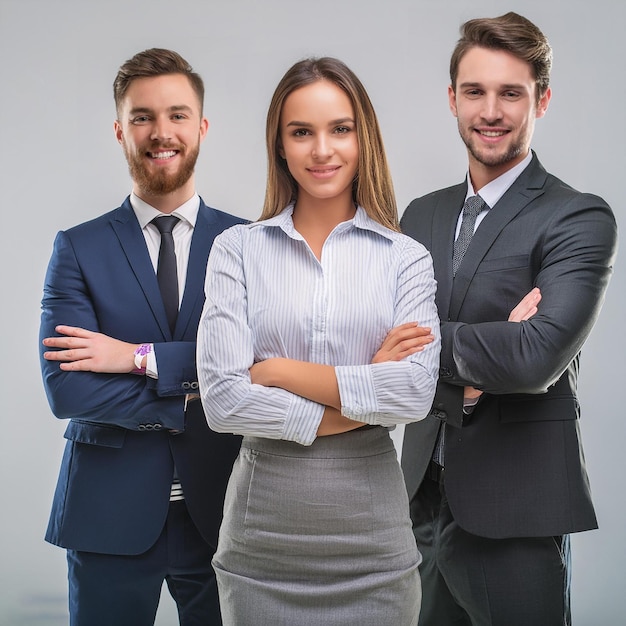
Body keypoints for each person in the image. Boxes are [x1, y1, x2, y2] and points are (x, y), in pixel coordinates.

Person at [196, 57, 441, 625]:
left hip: (374, 549)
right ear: (280, 146)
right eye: (301, 132)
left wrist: (278, 370)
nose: (322, 150)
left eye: (340, 129)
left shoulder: (405, 258)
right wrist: (361, 388)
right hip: (261, 546)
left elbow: (411, 396)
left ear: (364, 139)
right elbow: (223, 401)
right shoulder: (237, 249)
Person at [400, 12, 618, 626]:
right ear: (453, 99)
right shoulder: (422, 216)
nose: (490, 111)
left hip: (517, 507)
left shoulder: (577, 217)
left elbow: (535, 358)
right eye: (475, 92)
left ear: (540, 100)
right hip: (419, 499)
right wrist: (478, 358)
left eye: (510, 93)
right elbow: (375, 344)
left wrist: (422, 345)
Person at [39, 48, 246, 626]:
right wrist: (194, 392)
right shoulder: (78, 248)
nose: (162, 132)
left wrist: (133, 358)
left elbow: (256, 366)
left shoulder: (246, 244)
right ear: (120, 130)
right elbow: (68, 392)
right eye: (142, 117)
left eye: (178, 115)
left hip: (224, 512)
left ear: (201, 127)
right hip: (107, 513)